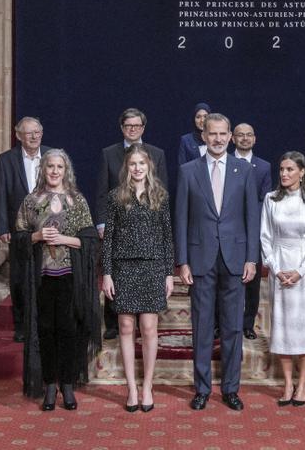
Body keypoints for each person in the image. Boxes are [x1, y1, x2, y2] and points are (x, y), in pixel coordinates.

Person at [176, 113, 260, 411]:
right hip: (200, 259)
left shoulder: (245, 170)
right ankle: (201, 389)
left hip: (236, 259)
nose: (219, 139)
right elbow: (182, 219)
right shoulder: (188, 171)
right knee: (201, 326)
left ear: (231, 137)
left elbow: (253, 217)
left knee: (233, 327)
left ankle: (231, 388)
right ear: (203, 136)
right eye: (213, 134)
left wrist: (252, 257)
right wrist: (182, 261)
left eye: (224, 134)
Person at [13, 149, 101, 411]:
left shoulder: (77, 201)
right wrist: (37, 237)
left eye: (59, 167)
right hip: (41, 279)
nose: (54, 171)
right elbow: (18, 240)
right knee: (46, 331)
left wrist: (63, 239)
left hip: (70, 278)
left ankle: (69, 384)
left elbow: (90, 241)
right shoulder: (31, 201)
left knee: (69, 330)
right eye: (49, 166)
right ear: (43, 170)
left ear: (66, 171)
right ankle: (50, 384)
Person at [101, 145, 174, 413]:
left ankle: (147, 386)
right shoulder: (115, 197)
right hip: (124, 268)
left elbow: (167, 236)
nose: (137, 168)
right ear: (127, 167)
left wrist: (169, 273)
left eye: (141, 163)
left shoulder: (161, 196)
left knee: (149, 328)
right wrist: (107, 273)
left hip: (153, 267)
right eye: (132, 164)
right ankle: (132, 387)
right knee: (125, 327)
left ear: (149, 166)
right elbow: (108, 239)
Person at [95, 108, 169, 340]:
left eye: (137, 126)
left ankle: (142, 327)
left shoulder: (156, 154)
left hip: (148, 228)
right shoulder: (109, 153)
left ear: (143, 128)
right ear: (122, 128)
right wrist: (101, 223)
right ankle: (113, 325)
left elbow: (162, 190)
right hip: (117, 223)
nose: (133, 129)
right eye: (128, 126)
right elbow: (101, 191)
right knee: (114, 274)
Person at [260, 152, 305, 407]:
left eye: (289, 169)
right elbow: (265, 238)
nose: (284, 174)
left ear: (302, 172)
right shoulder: (270, 199)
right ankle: (287, 383)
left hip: (304, 272)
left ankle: (302, 384)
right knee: (283, 329)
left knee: (304, 329)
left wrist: (300, 270)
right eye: (282, 169)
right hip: (279, 268)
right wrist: (276, 269)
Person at [0, 116, 52, 342]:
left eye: (38, 131)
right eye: (29, 133)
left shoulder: (51, 155)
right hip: (18, 227)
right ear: (18, 136)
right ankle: (21, 325)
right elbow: (0, 194)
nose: (35, 136)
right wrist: (1, 226)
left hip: (48, 225)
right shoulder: (6, 160)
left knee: (45, 275)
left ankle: (44, 322)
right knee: (19, 276)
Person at [232, 122, 273, 340]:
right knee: (226, 280)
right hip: (227, 231)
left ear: (254, 139)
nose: (245, 139)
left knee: (252, 282)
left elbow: (264, 200)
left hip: (253, 232)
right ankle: (222, 323)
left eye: (249, 135)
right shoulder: (226, 163)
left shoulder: (263, 167)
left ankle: (248, 324)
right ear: (233, 138)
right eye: (240, 135)